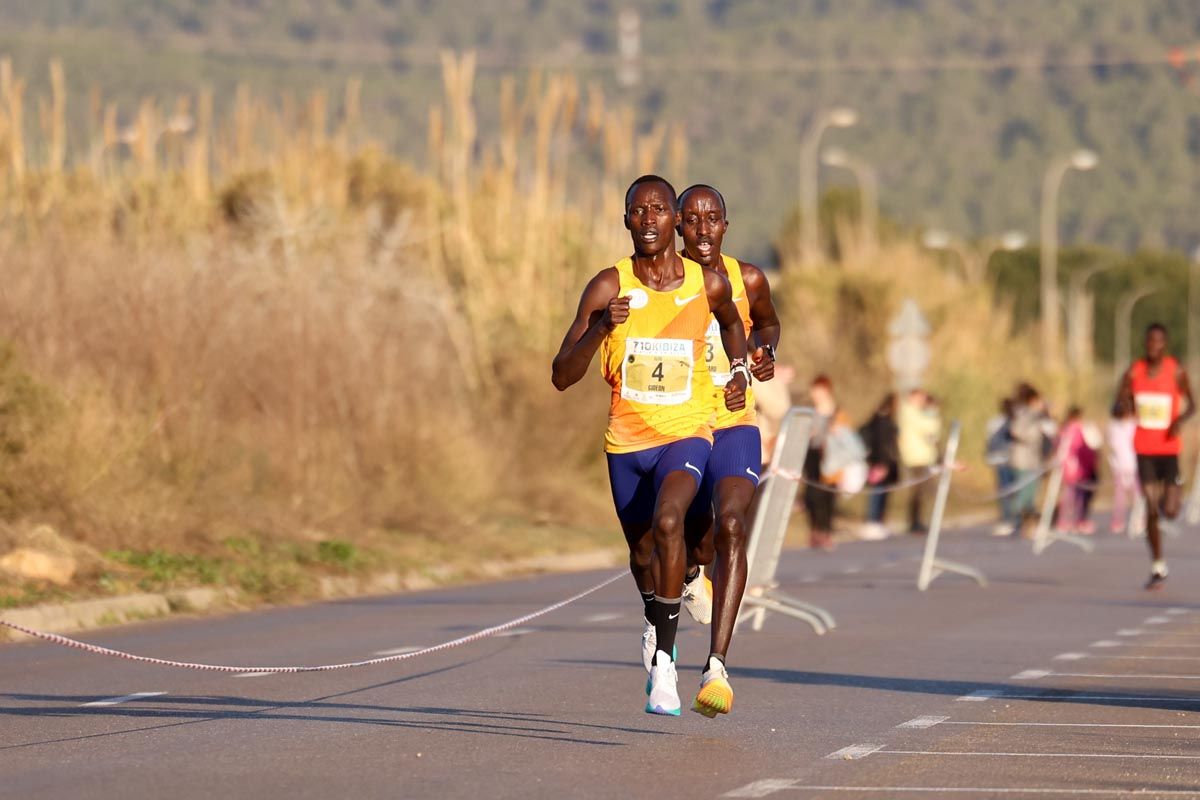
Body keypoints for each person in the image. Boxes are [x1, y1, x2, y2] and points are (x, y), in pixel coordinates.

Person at [551, 175, 749, 715]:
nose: (648, 220)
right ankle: (654, 617)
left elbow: (734, 325)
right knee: (642, 553)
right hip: (626, 442)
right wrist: (600, 329)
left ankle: (665, 662)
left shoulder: (706, 283)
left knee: (669, 522)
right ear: (626, 220)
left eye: (659, 209)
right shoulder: (607, 286)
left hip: (687, 432)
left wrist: (738, 370)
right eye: (638, 211)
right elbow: (561, 375)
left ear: (674, 220)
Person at [675, 183, 780, 718]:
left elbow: (768, 322)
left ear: (725, 225)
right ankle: (694, 575)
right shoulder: (665, 284)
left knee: (733, 525)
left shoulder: (749, 278)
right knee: (694, 540)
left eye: (712, 219)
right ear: (677, 226)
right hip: (681, 426)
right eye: (692, 220)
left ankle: (716, 665)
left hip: (736, 424)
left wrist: (765, 351)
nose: (703, 230)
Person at [1116, 322, 1195, 590]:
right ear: (1145, 343)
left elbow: (1193, 404)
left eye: (1158, 341)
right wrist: (1123, 404)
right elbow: (1118, 404)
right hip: (1144, 449)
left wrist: (1179, 421)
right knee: (1150, 508)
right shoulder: (1133, 372)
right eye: (1150, 340)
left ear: (1165, 344)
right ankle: (1158, 565)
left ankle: (1169, 499)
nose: (1153, 345)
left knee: (1170, 511)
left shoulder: (1176, 371)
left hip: (1169, 449)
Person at [804, 376, 855, 551]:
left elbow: (847, 436)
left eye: (818, 390)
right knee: (812, 495)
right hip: (812, 454)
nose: (815, 394)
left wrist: (836, 431)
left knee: (828, 495)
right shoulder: (809, 411)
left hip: (831, 457)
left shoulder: (838, 412)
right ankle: (814, 530)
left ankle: (826, 531)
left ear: (826, 391)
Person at [1007, 384, 1056, 537]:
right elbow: (1016, 431)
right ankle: (1015, 520)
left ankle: (1026, 525)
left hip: (1034, 460)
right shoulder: (1025, 414)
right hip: (1023, 460)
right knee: (1024, 493)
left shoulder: (1038, 415)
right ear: (1033, 400)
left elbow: (1052, 430)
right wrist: (1032, 435)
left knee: (1032, 494)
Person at [898, 388, 941, 534]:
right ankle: (914, 521)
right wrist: (932, 412)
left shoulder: (916, 413)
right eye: (921, 398)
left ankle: (918, 520)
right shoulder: (910, 412)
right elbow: (929, 429)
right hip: (916, 457)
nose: (923, 401)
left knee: (924, 491)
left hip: (924, 456)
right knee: (919, 491)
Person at [859, 393, 900, 540]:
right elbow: (882, 444)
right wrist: (883, 463)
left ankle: (877, 521)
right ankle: (872, 521)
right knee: (877, 493)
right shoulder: (883, 421)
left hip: (880, 462)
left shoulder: (879, 419)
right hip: (880, 462)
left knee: (882, 492)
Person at [1056, 407, 1098, 535]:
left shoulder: (1063, 430)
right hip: (1077, 467)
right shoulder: (1077, 430)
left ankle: (1064, 522)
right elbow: (1082, 449)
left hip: (1065, 467)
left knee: (1068, 495)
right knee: (1079, 496)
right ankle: (1078, 521)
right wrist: (1091, 462)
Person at [1106, 397, 1139, 535]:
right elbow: (1114, 446)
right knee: (1122, 496)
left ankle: (1137, 519)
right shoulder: (1117, 426)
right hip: (1123, 466)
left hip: (1131, 465)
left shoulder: (1126, 425)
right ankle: (1119, 521)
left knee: (1135, 495)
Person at [985, 398, 1015, 535]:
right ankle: (1009, 519)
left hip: (998, 459)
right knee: (1009, 490)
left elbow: (988, 440)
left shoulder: (994, 421)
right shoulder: (1011, 421)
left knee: (1005, 490)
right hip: (1009, 459)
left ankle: (1007, 519)